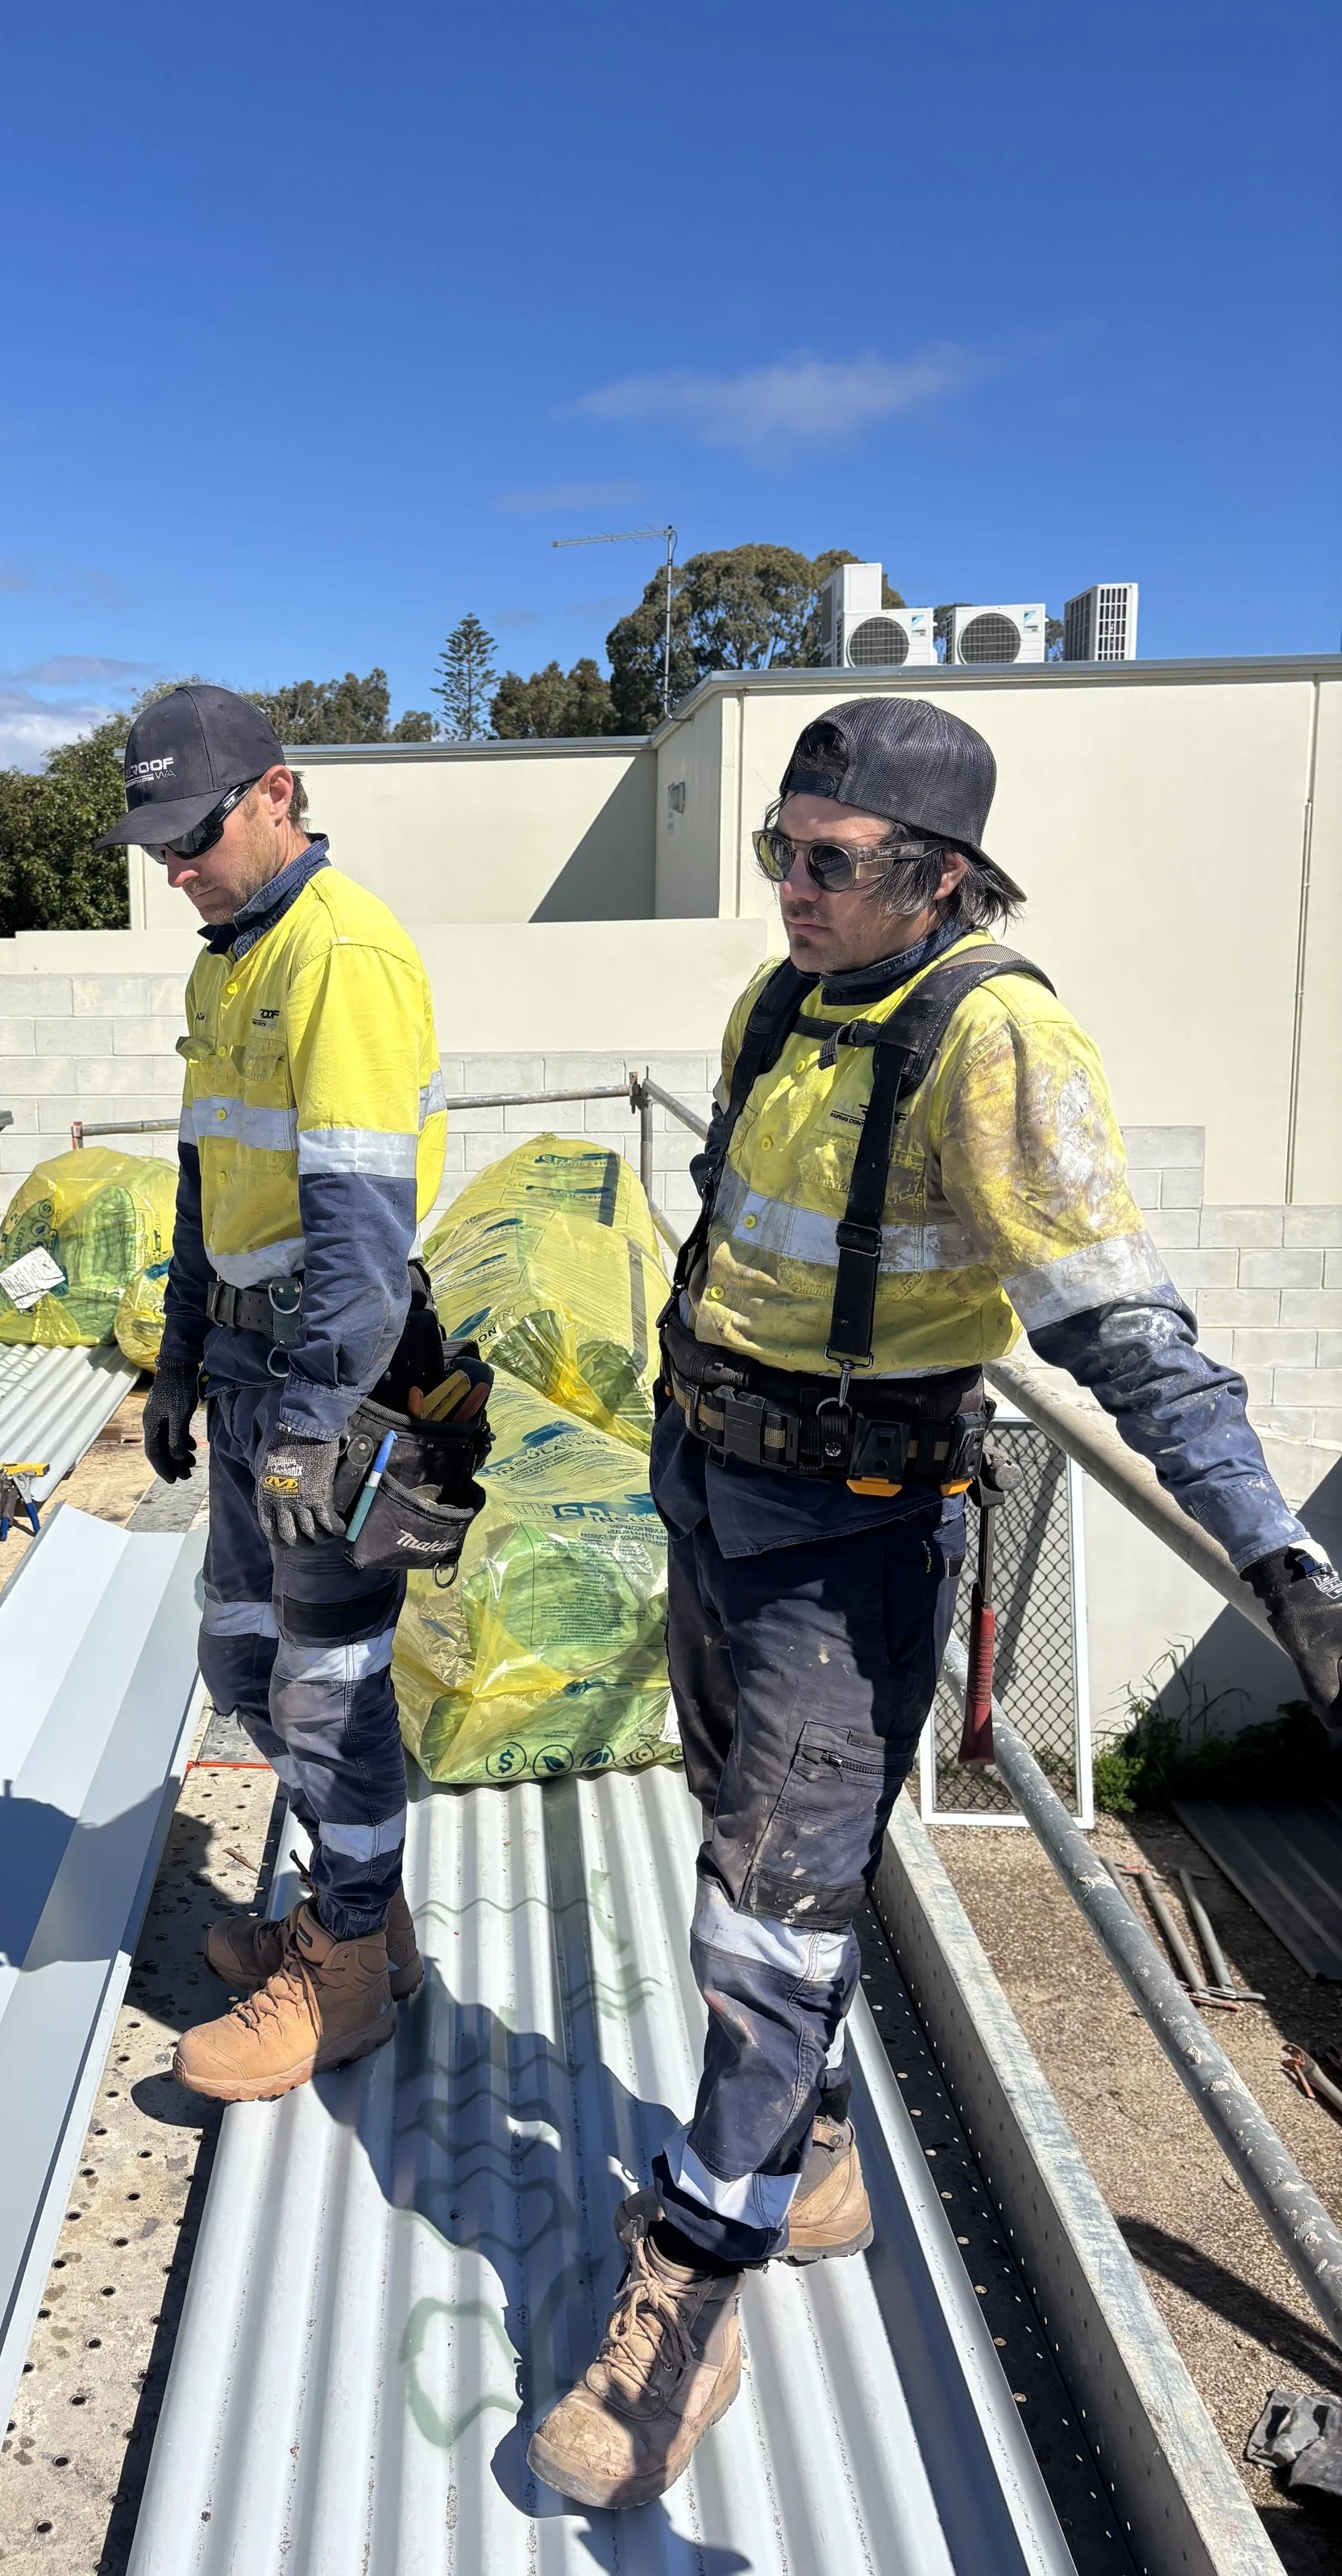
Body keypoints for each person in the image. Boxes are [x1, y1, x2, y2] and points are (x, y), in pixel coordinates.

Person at [529, 693, 1342, 2512]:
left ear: (939, 873)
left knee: (771, 1926)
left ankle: (687, 2303)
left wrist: (1272, 1554)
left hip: (850, 1537)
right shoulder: (782, 1004)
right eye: (777, 851)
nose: (788, 889)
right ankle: (806, 2163)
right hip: (713, 1494)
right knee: (731, 1860)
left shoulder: (995, 1041)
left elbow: (1124, 1328)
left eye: (827, 863)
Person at [102, 682, 447, 2102]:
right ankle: (360, 1924)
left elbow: (364, 1241)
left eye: (193, 836)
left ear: (277, 795)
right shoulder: (226, 958)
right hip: (243, 1369)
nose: (173, 868)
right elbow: (200, 1183)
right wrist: (182, 1360)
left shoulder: (339, 956)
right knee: (244, 1667)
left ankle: (347, 1974)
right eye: (157, 848)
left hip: (331, 1381)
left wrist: (313, 1429)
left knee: (328, 1693)